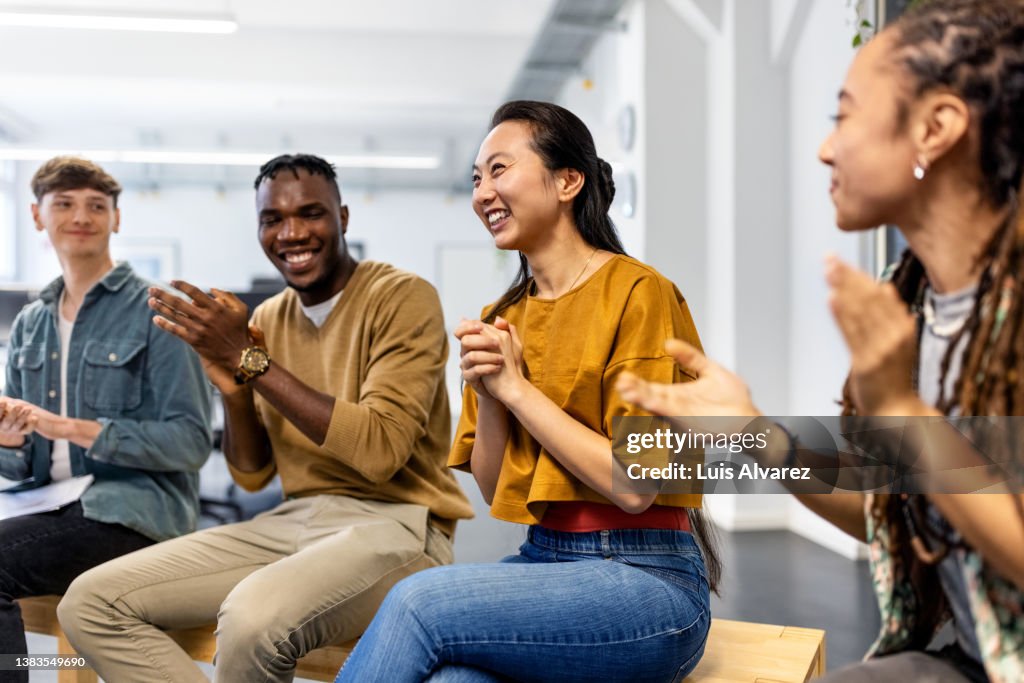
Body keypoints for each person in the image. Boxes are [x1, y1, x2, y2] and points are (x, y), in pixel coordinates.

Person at [617, 2, 1024, 681]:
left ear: (937, 127)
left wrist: (903, 406)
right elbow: (884, 513)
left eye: (844, 115)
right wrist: (751, 430)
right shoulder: (911, 300)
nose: (824, 147)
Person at [337, 101, 719, 683]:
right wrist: (490, 397)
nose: (482, 192)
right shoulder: (502, 317)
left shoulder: (641, 293)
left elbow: (635, 486)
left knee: (418, 604)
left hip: (649, 580)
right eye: (475, 178)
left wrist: (515, 391)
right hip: (546, 560)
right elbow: (495, 489)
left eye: (499, 169)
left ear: (568, 180)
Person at [58, 154, 473, 683]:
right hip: (294, 521)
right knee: (91, 602)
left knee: (253, 619)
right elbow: (251, 474)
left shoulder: (401, 296)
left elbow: (379, 451)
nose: (292, 232)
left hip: (400, 525)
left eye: (310, 213)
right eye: (272, 219)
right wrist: (234, 391)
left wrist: (252, 361)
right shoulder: (268, 318)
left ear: (343, 218)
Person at [0, 157, 212, 682]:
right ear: (36, 216)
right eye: (65, 204)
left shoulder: (159, 310)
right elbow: (21, 461)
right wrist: (9, 441)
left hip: (131, 515)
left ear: (116, 218)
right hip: (50, 508)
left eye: (97, 206)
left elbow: (189, 443)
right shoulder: (31, 323)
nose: (82, 216)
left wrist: (68, 427)